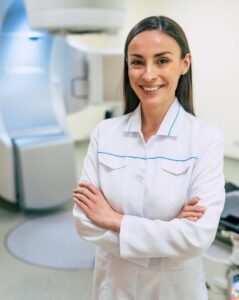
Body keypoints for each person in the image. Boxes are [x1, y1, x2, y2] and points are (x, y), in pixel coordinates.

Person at [73, 15, 225, 300]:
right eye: (137, 62)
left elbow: (197, 237)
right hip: (113, 288)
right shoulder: (105, 134)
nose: (148, 74)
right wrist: (168, 232)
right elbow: (84, 221)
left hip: (174, 291)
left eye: (162, 60)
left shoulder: (205, 138)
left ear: (185, 64)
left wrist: (114, 219)